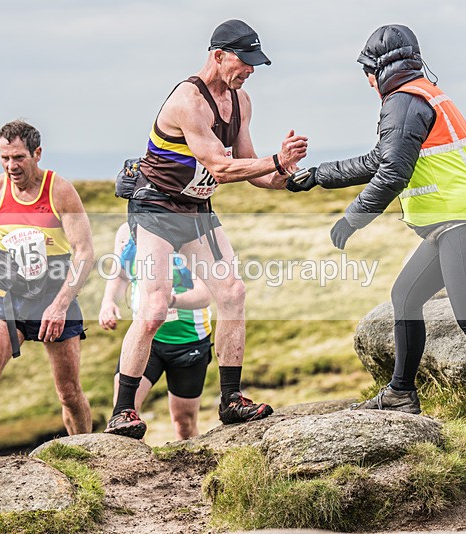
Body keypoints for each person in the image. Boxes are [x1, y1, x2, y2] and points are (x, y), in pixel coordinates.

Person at [287, 25, 466, 457]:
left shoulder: (404, 102)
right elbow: (380, 159)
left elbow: (392, 173)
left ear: (378, 69)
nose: (366, 82)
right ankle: (400, 394)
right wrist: (318, 176)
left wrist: (353, 219)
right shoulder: (417, 95)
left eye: (366, 72)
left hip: (465, 224)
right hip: (452, 225)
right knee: (405, 296)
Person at [105, 19, 308, 439]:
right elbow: (221, 166)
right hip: (156, 208)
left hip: (197, 208)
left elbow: (253, 169)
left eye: (256, 62)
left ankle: (231, 400)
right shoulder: (188, 101)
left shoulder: (242, 102)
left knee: (232, 292)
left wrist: (286, 173)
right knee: (156, 306)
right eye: (245, 61)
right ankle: (123, 410)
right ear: (218, 55)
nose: (251, 69)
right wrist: (274, 159)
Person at [0, 120, 93, 463]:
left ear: (37, 153)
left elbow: (85, 252)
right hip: (8, 292)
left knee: (68, 392)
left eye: (18, 157)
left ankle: (90, 453)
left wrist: (61, 304)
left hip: (54, 293)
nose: (11, 166)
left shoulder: (59, 190)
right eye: (4, 158)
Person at [100, 223, 213, 440]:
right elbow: (121, 274)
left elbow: (205, 294)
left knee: (184, 423)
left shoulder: (192, 232)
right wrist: (108, 302)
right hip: (146, 340)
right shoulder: (125, 231)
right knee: (124, 415)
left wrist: (168, 301)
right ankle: (133, 469)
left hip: (188, 340)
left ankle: (190, 471)